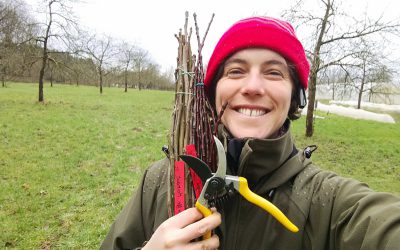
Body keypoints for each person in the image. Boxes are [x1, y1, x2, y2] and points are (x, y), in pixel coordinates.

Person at [101, 16, 400, 250]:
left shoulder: (330, 202)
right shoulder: (158, 183)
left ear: (295, 96)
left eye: (273, 72)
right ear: (213, 92)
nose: (253, 87)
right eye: (235, 71)